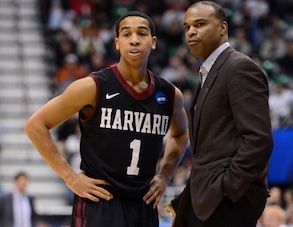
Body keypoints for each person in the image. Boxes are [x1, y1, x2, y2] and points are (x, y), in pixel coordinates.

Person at [25, 11, 189, 227]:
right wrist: (70, 177)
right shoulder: (92, 87)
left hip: (144, 203)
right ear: (117, 43)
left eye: (142, 33)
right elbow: (35, 125)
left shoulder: (169, 94)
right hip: (100, 201)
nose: (134, 39)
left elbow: (180, 134)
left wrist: (165, 176)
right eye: (126, 33)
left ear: (154, 42)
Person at [168, 1, 274, 227]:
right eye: (187, 27)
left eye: (200, 24)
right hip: (209, 198)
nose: (191, 32)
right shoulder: (209, 71)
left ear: (222, 28)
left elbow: (259, 139)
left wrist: (228, 188)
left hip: (228, 201)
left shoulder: (238, 67)